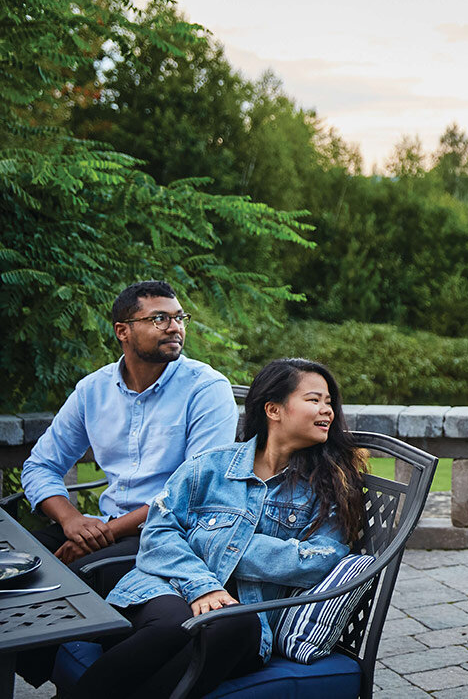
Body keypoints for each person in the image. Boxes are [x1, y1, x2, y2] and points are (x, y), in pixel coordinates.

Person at [67, 357, 366, 699]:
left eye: (329, 402)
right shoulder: (209, 466)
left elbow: (320, 558)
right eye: (314, 400)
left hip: (245, 617)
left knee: (235, 624)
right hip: (166, 588)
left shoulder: (328, 486)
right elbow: (159, 531)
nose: (327, 410)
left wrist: (210, 541)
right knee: (170, 626)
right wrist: (203, 586)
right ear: (274, 409)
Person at [21, 280, 239, 592]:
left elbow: (194, 490)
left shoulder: (206, 388)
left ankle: (77, 642)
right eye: (159, 319)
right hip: (104, 522)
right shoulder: (93, 390)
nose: (174, 327)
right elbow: (40, 465)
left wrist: (105, 534)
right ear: (122, 331)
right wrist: (71, 520)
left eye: (180, 317)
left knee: (73, 579)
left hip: (169, 534)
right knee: (19, 563)